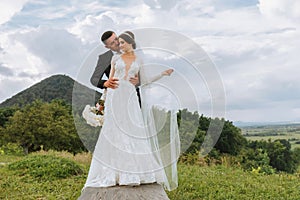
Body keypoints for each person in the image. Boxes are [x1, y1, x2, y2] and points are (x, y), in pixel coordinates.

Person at [83, 31, 180, 191]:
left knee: (134, 132)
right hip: (115, 96)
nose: (118, 45)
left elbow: (144, 80)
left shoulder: (139, 59)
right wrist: (102, 101)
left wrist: (161, 75)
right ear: (108, 45)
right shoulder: (112, 58)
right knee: (114, 132)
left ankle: (136, 172)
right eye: (115, 42)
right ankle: (114, 173)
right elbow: (107, 81)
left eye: (120, 42)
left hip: (131, 97)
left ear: (130, 42)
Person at [90, 31, 141, 105]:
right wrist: (105, 83)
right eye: (112, 43)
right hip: (115, 98)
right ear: (107, 47)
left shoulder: (134, 52)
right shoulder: (104, 58)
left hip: (133, 97)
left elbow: (143, 74)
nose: (117, 43)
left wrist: (139, 80)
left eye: (116, 39)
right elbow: (94, 79)